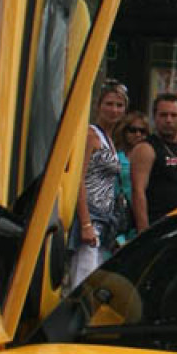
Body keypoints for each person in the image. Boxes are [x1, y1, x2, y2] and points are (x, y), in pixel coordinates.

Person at [68, 82, 128, 289]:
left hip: (105, 220)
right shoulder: (90, 135)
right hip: (90, 217)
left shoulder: (109, 138)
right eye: (109, 104)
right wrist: (85, 224)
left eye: (119, 105)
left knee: (95, 280)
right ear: (98, 106)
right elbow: (78, 179)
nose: (114, 110)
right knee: (82, 279)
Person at [128, 92, 177, 232]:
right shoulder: (146, 148)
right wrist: (144, 233)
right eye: (163, 115)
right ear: (155, 118)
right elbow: (138, 192)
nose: (169, 120)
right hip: (157, 227)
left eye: (174, 115)